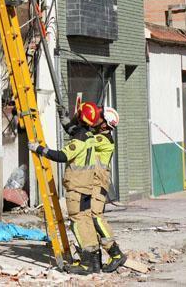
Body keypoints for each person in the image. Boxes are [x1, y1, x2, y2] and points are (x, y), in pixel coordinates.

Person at [27, 102, 126, 274]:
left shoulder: (102, 139)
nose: (97, 119)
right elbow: (80, 134)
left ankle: (113, 253)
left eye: (100, 117)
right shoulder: (95, 135)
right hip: (90, 182)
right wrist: (66, 120)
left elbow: (79, 138)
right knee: (87, 218)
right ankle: (94, 259)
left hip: (95, 184)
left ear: (105, 124)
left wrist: (73, 122)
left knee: (92, 218)